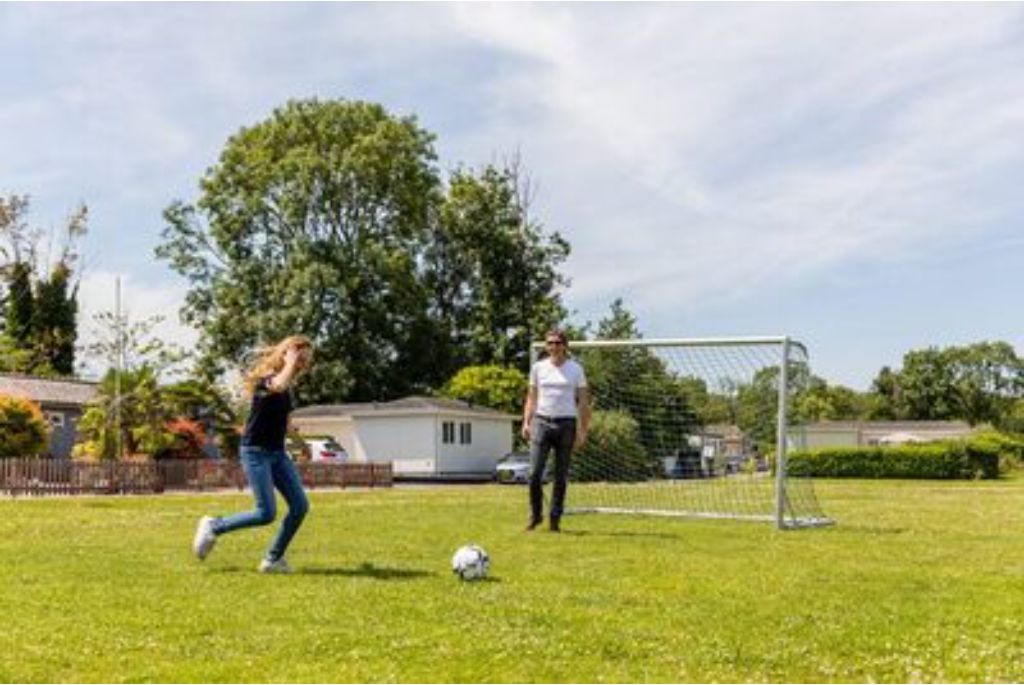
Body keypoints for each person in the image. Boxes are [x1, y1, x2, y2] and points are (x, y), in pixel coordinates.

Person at [192, 335, 314, 573]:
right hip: (255, 452)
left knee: (300, 506)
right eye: (301, 359)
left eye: (305, 363)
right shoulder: (266, 378)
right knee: (265, 513)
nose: (302, 366)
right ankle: (214, 526)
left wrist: (301, 444)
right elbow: (277, 385)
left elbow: (287, 423)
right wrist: (290, 361)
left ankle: (273, 559)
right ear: (287, 354)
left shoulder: (287, 388)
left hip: (277, 453)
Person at [520, 328, 590, 532]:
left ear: (565, 346)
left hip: (567, 424)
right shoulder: (538, 368)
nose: (554, 346)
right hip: (541, 423)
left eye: (558, 343)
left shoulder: (576, 369)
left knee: (561, 476)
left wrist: (583, 430)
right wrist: (526, 422)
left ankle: (555, 519)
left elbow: (584, 402)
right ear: (546, 346)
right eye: (550, 343)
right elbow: (531, 397)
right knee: (534, 474)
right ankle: (535, 516)